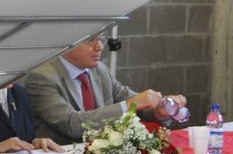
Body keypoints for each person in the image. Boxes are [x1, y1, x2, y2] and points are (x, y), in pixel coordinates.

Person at [22, 34, 186, 143]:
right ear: (68, 42)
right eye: (91, 41)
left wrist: (159, 109)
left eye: (101, 39)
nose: (99, 47)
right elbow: (71, 124)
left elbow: (136, 103)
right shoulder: (42, 77)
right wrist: (130, 105)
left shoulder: (99, 70)